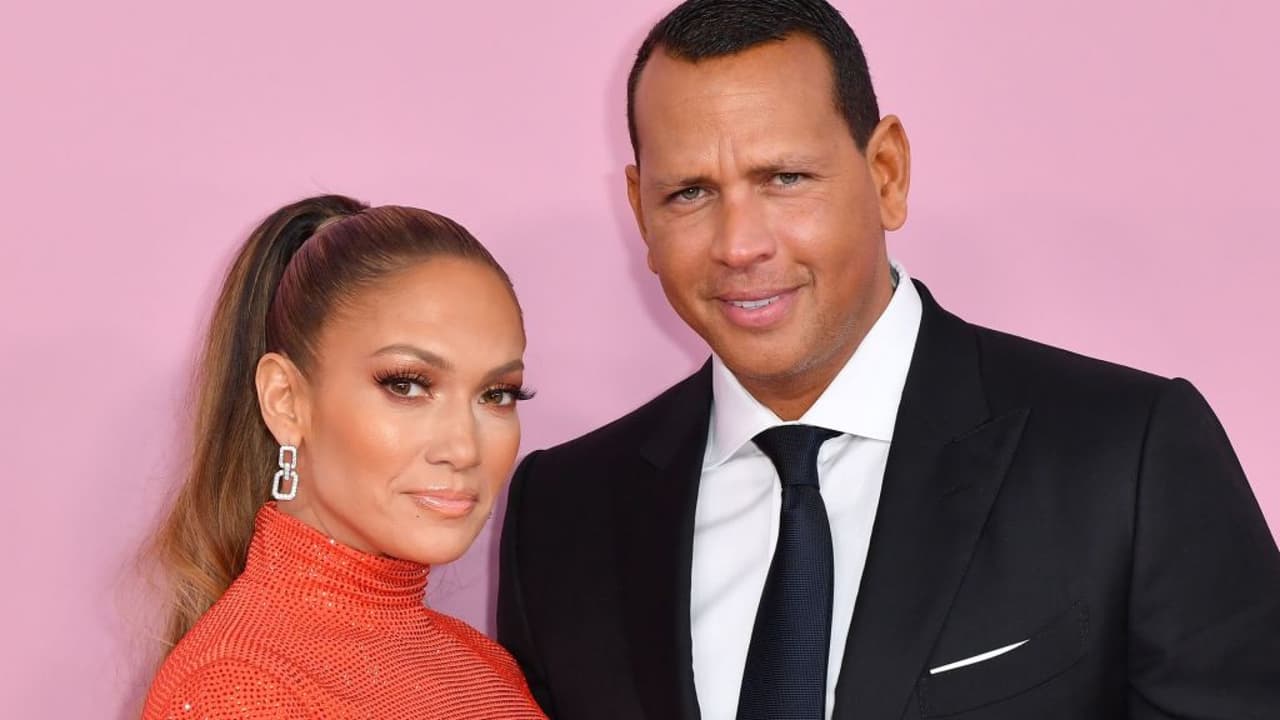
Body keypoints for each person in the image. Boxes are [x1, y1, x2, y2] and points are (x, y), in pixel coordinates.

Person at [496, 1, 1280, 718]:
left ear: (887, 175)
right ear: (640, 211)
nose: (739, 245)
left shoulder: (1126, 454)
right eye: (690, 194)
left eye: (785, 178)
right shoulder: (562, 514)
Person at [142, 195, 546, 719]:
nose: (464, 449)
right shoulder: (240, 687)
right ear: (286, 401)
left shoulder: (481, 663)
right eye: (406, 385)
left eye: (497, 394)